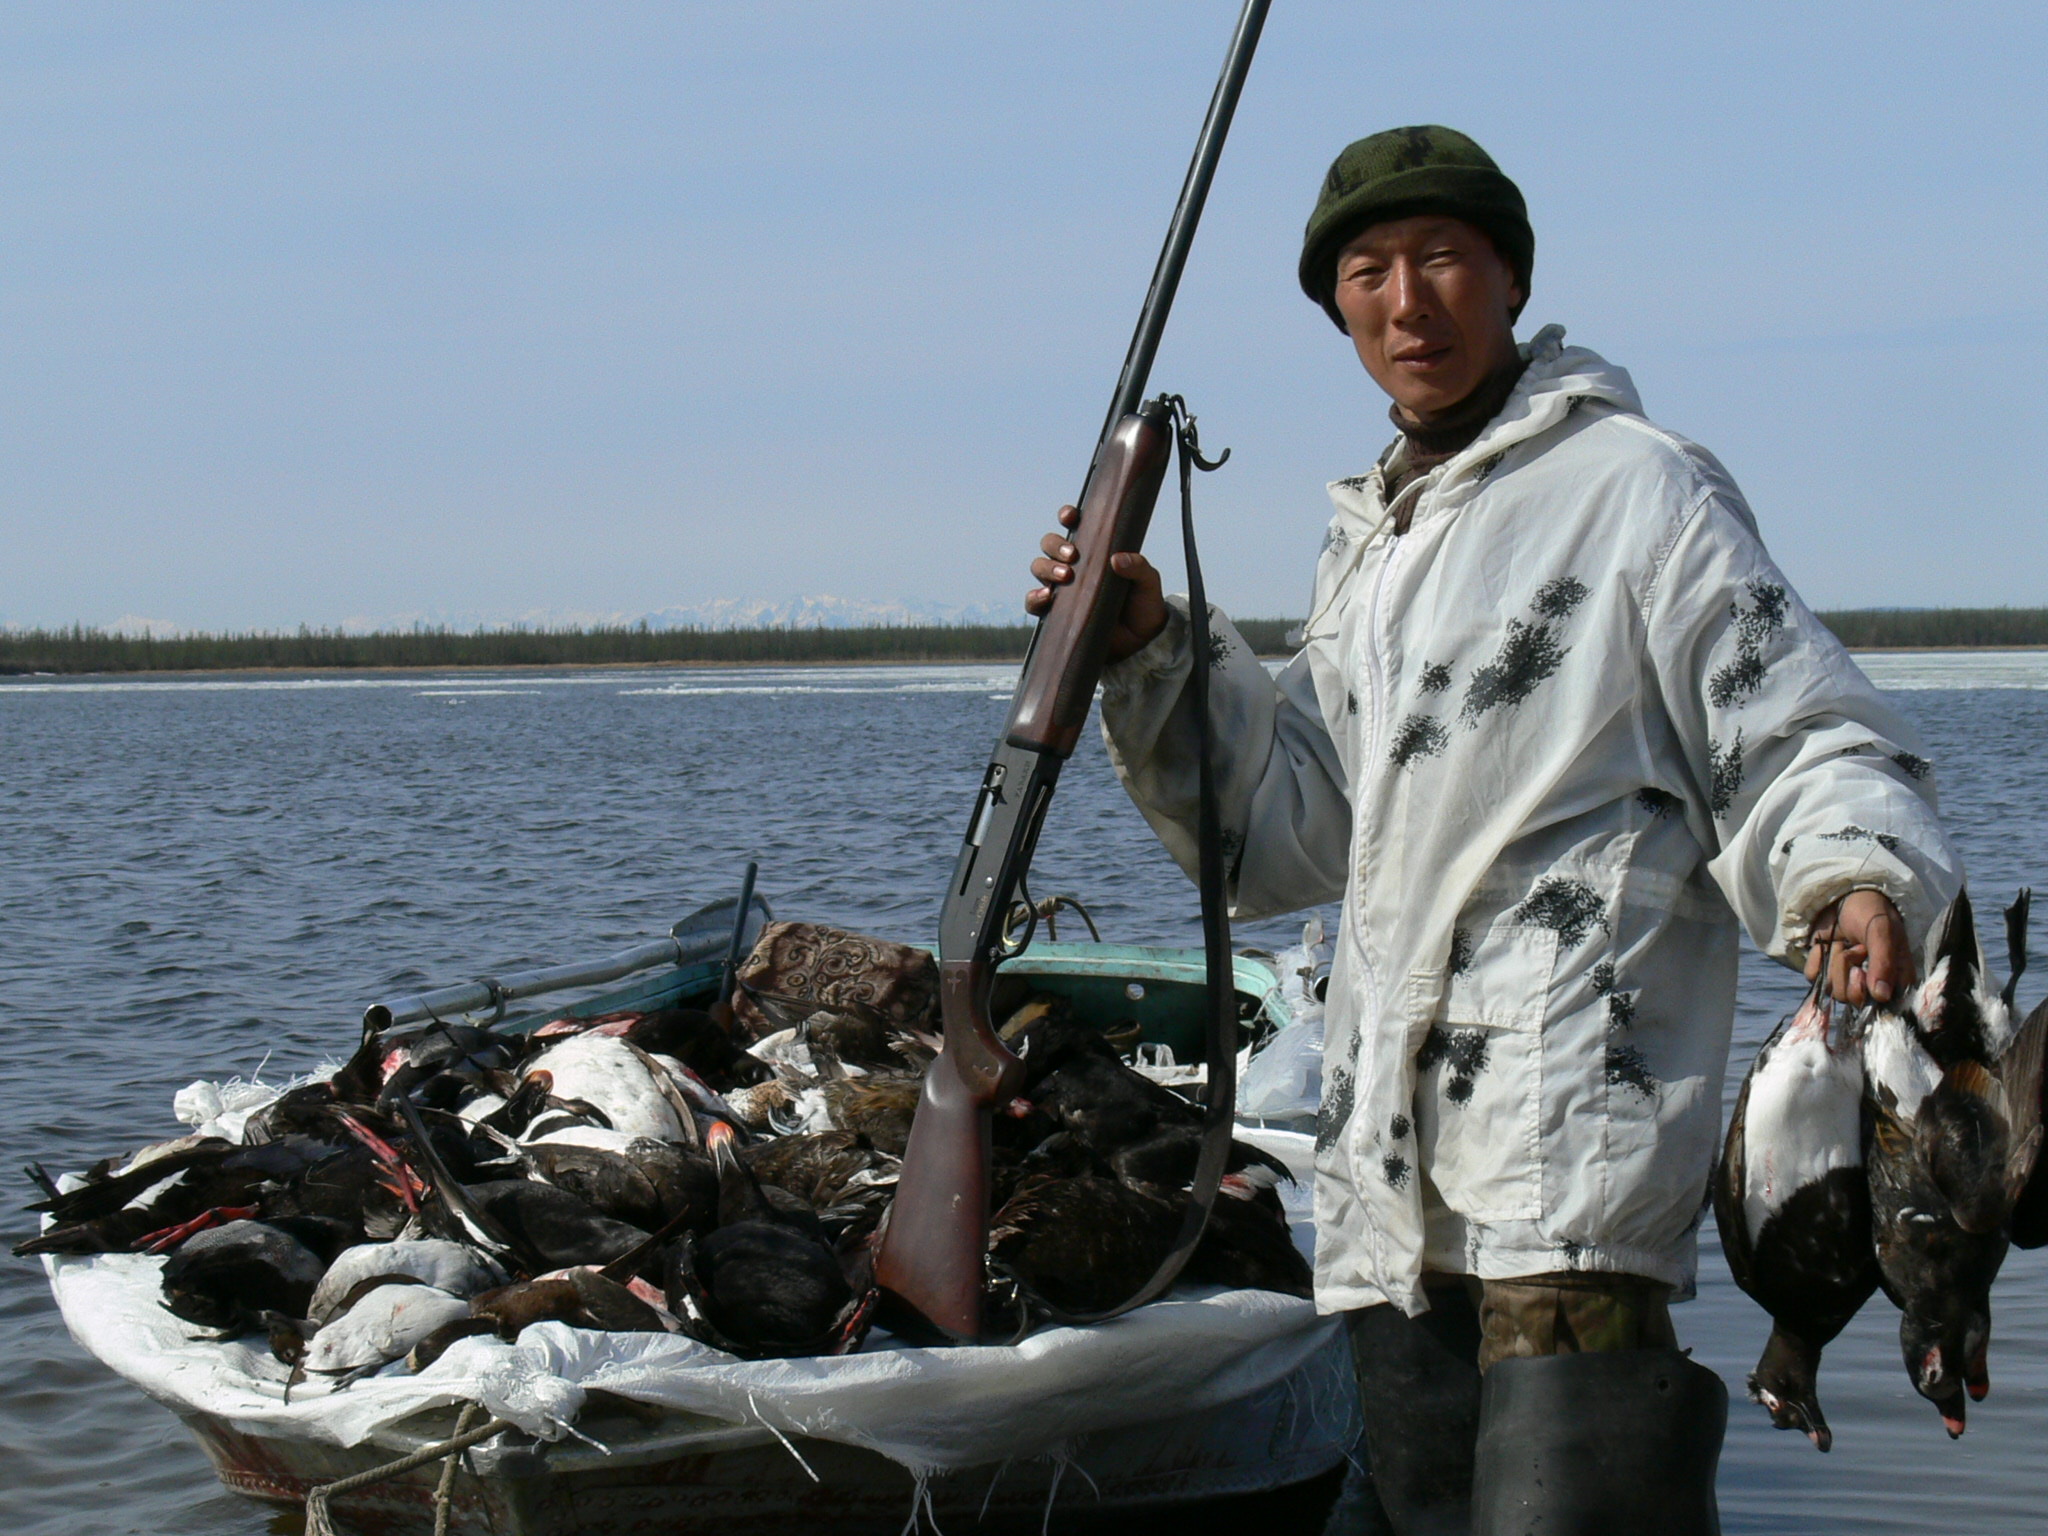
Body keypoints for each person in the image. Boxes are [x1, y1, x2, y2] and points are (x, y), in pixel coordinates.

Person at [1025, 126, 1959, 1533]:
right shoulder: (1379, 542)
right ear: (1337, 309)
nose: (1411, 301)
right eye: (1369, 272)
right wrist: (1153, 649)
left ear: (1511, 282)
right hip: (1390, 1188)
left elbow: (1798, 731)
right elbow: (1294, 833)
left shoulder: (1639, 491)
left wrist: (1851, 874)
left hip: (1569, 1146)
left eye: (1445, 259)